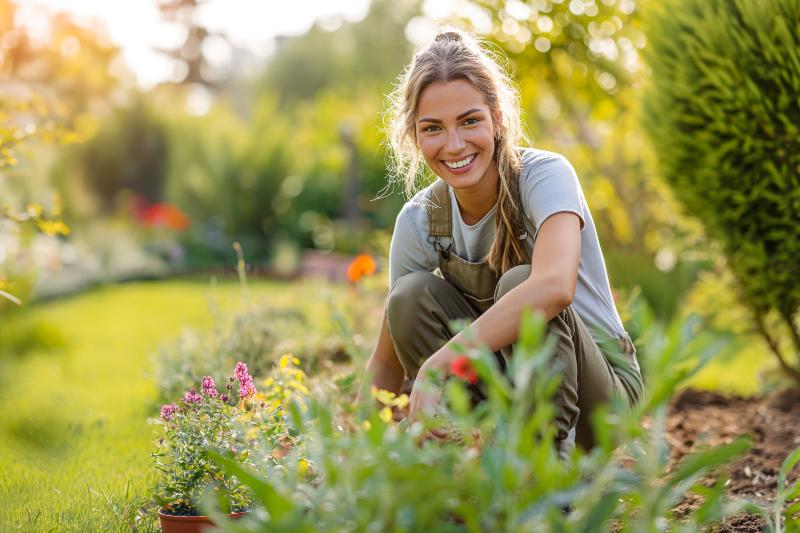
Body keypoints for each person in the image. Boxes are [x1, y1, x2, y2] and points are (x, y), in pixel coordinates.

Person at [356, 28, 643, 451]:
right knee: (409, 296)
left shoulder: (545, 177)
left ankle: (546, 473)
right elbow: (385, 359)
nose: (454, 145)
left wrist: (439, 365)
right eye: (433, 128)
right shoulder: (419, 220)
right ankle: (480, 457)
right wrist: (355, 463)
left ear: (498, 118)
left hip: (599, 404)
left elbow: (554, 288)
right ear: (416, 137)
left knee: (522, 285)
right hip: (506, 398)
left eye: (470, 121)